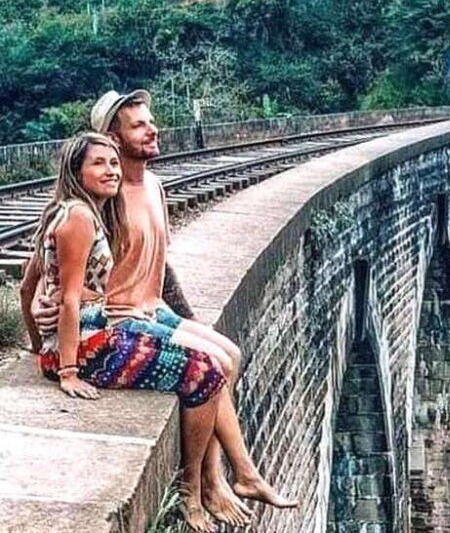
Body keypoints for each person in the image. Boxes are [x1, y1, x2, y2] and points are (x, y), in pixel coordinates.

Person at [21, 91, 299, 529]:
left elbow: (162, 266)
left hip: (154, 308)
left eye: (151, 123)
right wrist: (47, 323)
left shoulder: (151, 186)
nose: (153, 131)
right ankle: (217, 479)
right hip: (119, 317)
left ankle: (222, 475)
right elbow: (54, 268)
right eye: (138, 126)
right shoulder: (101, 203)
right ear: (112, 138)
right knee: (213, 367)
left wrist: (192, 319)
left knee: (229, 355)